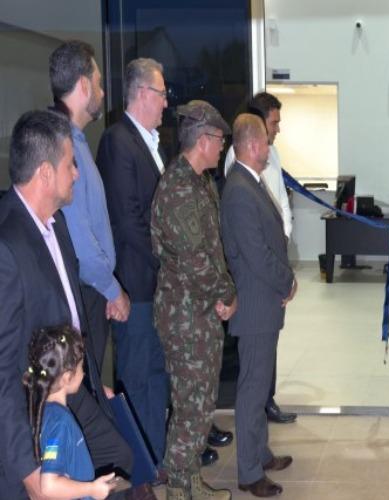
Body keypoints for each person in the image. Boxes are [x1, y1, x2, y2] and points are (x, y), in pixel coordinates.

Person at [0, 109, 135, 499]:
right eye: (70, 164)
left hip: (70, 388)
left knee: (119, 460)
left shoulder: (56, 224)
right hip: (34, 412)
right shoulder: (7, 245)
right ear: (45, 173)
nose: (76, 173)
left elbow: (69, 317)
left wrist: (89, 380)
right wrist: (27, 468)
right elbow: (3, 369)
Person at [151, 100, 236, 500]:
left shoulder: (200, 182)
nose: (222, 146)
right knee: (189, 409)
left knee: (201, 406)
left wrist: (220, 295)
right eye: (219, 139)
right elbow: (194, 259)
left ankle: (192, 484)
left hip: (200, 312)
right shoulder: (179, 188)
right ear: (203, 140)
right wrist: (226, 293)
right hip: (185, 316)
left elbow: (211, 251)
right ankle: (177, 490)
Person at [96, 57, 170, 470]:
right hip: (136, 286)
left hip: (155, 287)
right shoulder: (118, 141)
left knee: (156, 378)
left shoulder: (149, 143)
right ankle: (138, 473)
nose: (165, 103)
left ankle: (154, 463)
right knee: (138, 381)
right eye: (161, 94)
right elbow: (128, 222)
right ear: (142, 93)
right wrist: (168, 262)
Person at [221, 113, 296, 497]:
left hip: (264, 302)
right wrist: (288, 280)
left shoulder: (249, 181)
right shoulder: (238, 189)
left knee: (260, 383)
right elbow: (256, 254)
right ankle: (249, 472)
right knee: (252, 390)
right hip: (255, 304)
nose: (270, 147)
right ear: (252, 145)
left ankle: (260, 453)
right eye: (266, 141)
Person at [49, 40, 130, 372]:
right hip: (84, 296)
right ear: (83, 85)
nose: (102, 92)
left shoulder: (75, 143)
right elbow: (80, 240)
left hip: (91, 292)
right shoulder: (63, 148)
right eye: (98, 83)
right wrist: (112, 290)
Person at [24, 325, 117, 500]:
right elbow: (49, 486)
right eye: (81, 367)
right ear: (67, 377)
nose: (84, 373)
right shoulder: (60, 422)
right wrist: (91, 489)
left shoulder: (44, 412)